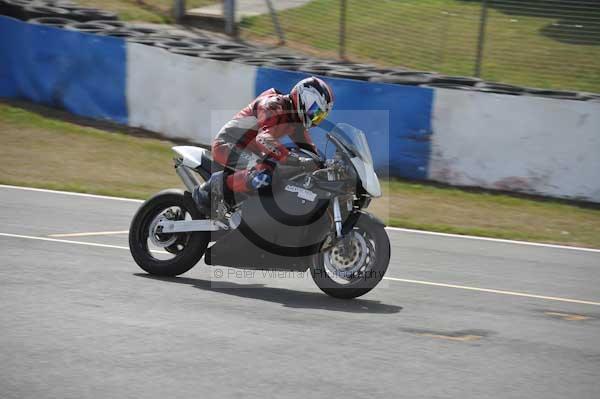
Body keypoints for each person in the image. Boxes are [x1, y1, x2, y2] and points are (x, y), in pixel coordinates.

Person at [193, 76, 334, 211]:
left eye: (320, 116)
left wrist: (325, 166)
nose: (315, 118)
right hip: (228, 145)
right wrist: (293, 159)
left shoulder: (295, 121)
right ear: (305, 98)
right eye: (315, 111)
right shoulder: (273, 105)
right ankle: (212, 189)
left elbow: (310, 150)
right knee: (264, 174)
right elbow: (263, 139)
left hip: (251, 152)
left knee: (283, 174)